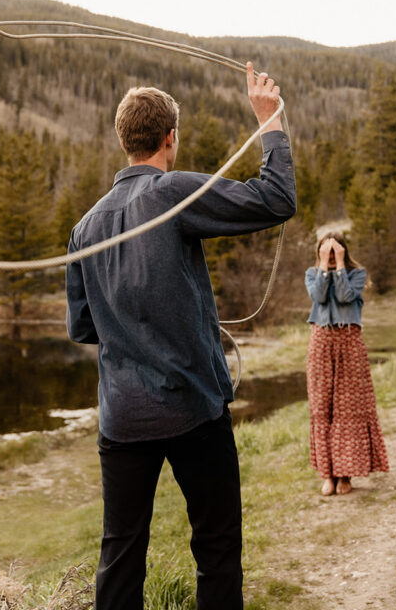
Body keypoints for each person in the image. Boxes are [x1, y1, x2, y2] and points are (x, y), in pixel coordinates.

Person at [66, 63, 296, 610]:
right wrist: (271, 123)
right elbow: (275, 199)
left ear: (125, 140)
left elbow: (83, 327)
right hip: (193, 408)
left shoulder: (84, 227)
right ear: (171, 137)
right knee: (215, 547)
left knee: (120, 556)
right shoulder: (173, 191)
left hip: (122, 418)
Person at [304, 231, 389, 496]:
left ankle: (346, 475)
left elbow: (344, 297)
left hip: (350, 342)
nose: (330, 256)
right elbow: (318, 296)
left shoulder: (356, 274)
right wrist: (323, 267)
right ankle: (327, 474)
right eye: (326, 252)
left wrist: (339, 265)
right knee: (322, 408)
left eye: (335, 252)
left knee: (348, 410)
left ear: (343, 251)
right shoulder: (312, 274)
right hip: (321, 344)